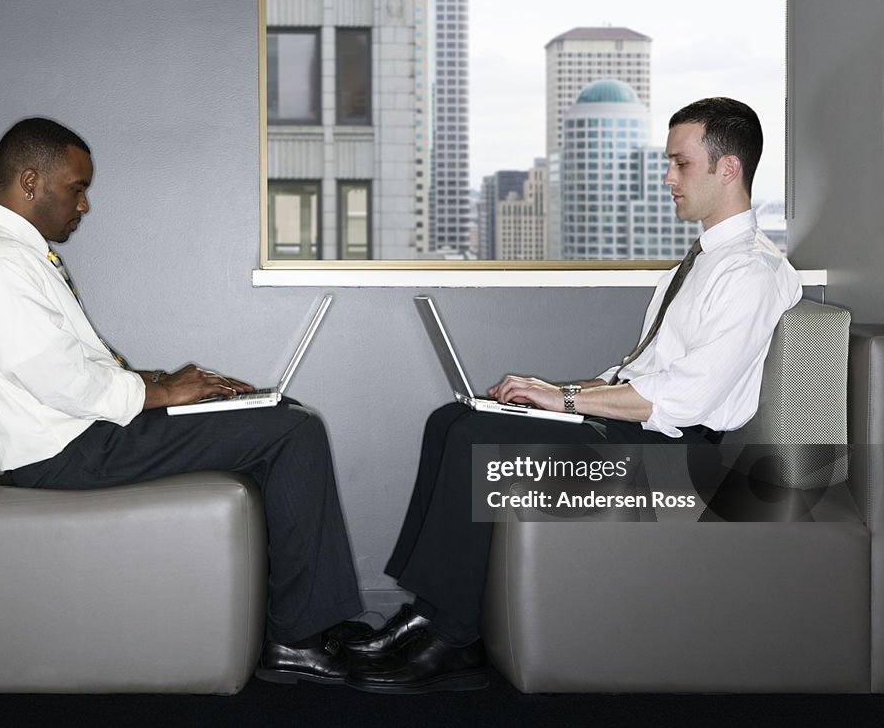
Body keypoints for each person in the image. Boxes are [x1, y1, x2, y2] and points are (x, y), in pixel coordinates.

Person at [342, 97, 802, 694]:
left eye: (680, 164)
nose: (667, 178)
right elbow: (640, 372)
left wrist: (565, 402)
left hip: (682, 461)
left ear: (729, 168)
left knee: (479, 437)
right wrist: (550, 391)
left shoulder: (752, 273)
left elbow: (686, 399)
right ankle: (428, 611)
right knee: (453, 419)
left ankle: (454, 637)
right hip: (649, 431)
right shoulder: (700, 261)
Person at [0, 117, 365, 686]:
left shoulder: (12, 254)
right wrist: (162, 393)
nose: (85, 204)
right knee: (292, 430)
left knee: (274, 417)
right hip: (70, 452)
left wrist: (157, 380)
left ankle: (306, 621)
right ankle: (296, 637)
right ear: (29, 181)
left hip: (82, 435)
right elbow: (57, 380)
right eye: (77, 187)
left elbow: (63, 363)